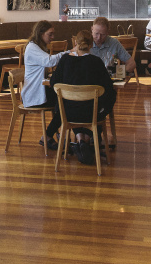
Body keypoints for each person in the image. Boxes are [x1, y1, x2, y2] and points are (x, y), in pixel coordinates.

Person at [47, 30, 116, 165]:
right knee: (108, 99)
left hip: (68, 113)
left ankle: (80, 139)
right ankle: (89, 138)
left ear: (75, 43)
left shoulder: (65, 60)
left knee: (72, 104)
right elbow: (108, 87)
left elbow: (53, 83)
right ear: (91, 45)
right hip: (91, 113)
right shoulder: (96, 62)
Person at [22, 20, 76, 150]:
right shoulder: (32, 47)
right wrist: (69, 52)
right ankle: (50, 135)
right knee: (67, 103)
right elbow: (50, 61)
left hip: (39, 89)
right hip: (34, 93)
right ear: (41, 33)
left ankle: (59, 134)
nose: (53, 37)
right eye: (50, 34)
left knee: (66, 102)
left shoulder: (39, 46)